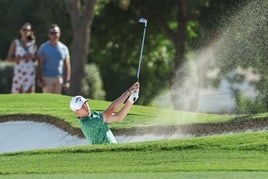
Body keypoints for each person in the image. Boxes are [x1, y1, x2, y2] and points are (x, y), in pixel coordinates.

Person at [70, 82, 140, 144]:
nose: (85, 106)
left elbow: (118, 117)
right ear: (76, 112)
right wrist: (129, 91)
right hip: (109, 156)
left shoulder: (93, 115)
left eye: (85, 103)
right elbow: (111, 109)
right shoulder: (88, 123)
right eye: (82, 106)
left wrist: (131, 100)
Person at [37, 24, 71, 94]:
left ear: (59, 34)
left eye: (56, 33)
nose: (54, 35)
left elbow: (67, 65)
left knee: (57, 101)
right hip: (46, 79)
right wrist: (40, 79)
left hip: (59, 79)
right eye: (52, 33)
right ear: (49, 35)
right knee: (47, 100)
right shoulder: (43, 47)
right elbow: (40, 64)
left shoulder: (64, 48)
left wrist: (67, 81)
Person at [7, 22, 37, 93]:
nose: (26, 31)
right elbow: (9, 59)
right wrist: (20, 58)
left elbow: (35, 59)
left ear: (30, 32)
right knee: (18, 91)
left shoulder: (33, 43)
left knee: (30, 91)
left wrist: (31, 56)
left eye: (28, 30)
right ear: (20, 31)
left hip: (30, 71)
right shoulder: (15, 43)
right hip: (19, 70)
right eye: (24, 29)